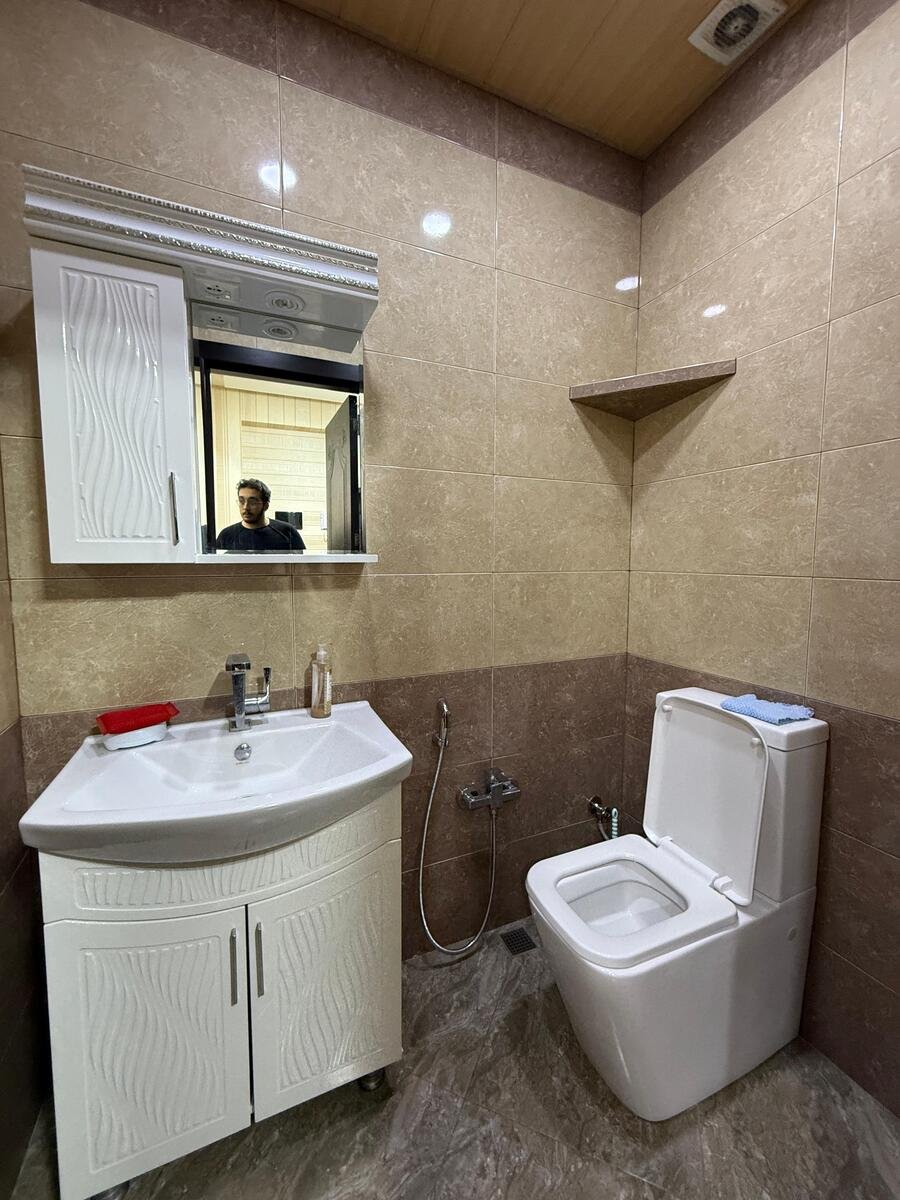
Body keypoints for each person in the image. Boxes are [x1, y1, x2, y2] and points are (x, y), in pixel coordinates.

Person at [215, 478, 305, 552]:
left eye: (252, 502)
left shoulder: (287, 532)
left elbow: (302, 566)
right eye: (241, 501)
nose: (246, 507)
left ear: (266, 505)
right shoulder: (226, 535)